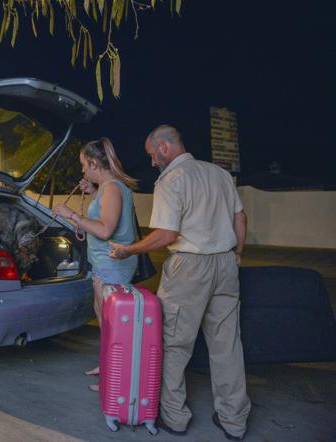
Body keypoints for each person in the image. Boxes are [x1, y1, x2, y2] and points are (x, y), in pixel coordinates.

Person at [109, 125, 250, 440]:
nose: (152, 162)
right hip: (226, 262)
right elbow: (240, 218)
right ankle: (234, 421)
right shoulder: (219, 174)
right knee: (227, 346)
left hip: (190, 267)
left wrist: (129, 249)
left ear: (163, 147)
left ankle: (175, 417)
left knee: (174, 344)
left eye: (151, 155)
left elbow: (166, 235)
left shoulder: (172, 180)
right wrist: (237, 253)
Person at [52, 137, 138, 392]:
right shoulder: (108, 187)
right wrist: (91, 191)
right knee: (105, 319)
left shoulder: (112, 187)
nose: (82, 170)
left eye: (83, 165)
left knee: (112, 324)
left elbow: (105, 229)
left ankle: (114, 378)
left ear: (93, 162)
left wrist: (73, 216)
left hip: (112, 265)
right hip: (105, 264)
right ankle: (108, 365)